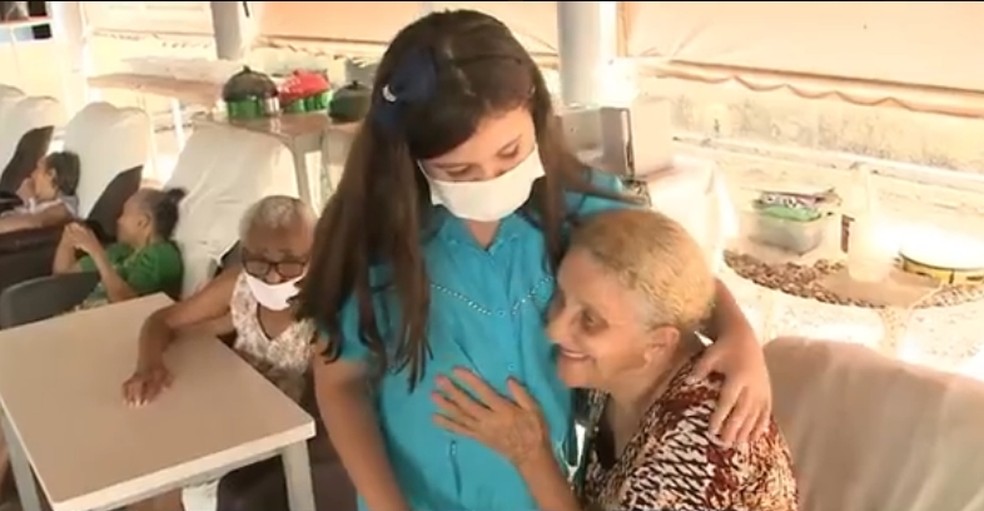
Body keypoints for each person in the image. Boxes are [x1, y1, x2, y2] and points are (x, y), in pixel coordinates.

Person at [297, 9, 772, 511]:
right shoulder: (373, 237)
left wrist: (737, 333)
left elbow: (665, 270)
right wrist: (388, 504)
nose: (489, 181)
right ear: (407, 158)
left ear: (537, 115)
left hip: (541, 491)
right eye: (457, 170)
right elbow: (339, 381)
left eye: (509, 153)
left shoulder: (575, 204)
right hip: (416, 497)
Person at [432, 209, 798, 511]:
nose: (555, 330)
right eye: (560, 297)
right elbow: (685, 288)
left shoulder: (703, 441)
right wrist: (737, 330)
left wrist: (530, 455)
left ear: (657, 344)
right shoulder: (625, 368)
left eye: (590, 320)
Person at [119, 196, 351, 511]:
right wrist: (148, 366)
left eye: (289, 261)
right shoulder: (240, 286)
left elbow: (330, 407)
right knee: (152, 477)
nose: (272, 277)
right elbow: (162, 320)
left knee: (183, 491)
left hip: (284, 440)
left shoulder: (327, 310)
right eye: (258, 261)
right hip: (228, 416)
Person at [53, 187, 186, 309]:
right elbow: (63, 276)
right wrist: (68, 240)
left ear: (143, 221)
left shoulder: (162, 255)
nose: (118, 220)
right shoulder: (120, 250)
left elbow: (127, 305)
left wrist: (96, 252)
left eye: (124, 213)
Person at [0, 151, 81, 234]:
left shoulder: (63, 209)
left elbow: (34, 223)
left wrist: (31, 200)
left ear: (51, 174)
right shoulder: (47, 202)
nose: (32, 174)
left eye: (38, 169)